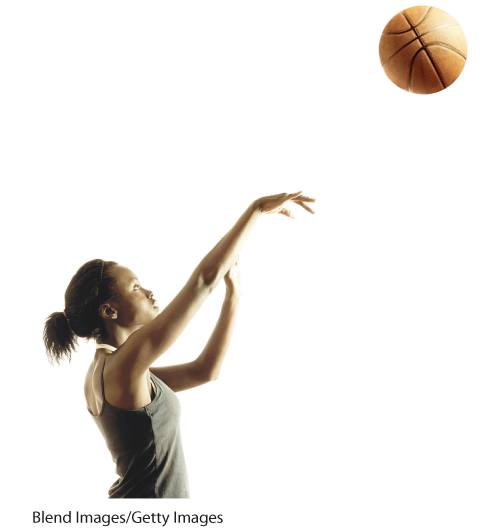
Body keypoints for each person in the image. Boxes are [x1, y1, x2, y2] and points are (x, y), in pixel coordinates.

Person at [43, 191, 316, 498]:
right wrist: (256, 210)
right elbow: (202, 282)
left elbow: (205, 371)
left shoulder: (114, 369)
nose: (148, 292)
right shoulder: (123, 367)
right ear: (109, 311)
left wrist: (234, 295)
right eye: (135, 287)